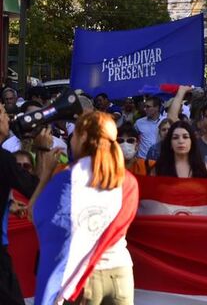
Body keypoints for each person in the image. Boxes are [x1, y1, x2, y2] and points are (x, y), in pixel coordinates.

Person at [30, 111, 138, 305]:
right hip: (121, 274)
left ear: (84, 137)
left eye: (75, 136)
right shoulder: (128, 180)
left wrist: (46, 175)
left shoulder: (69, 180)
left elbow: (35, 215)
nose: (71, 142)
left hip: (83, 279)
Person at [0, 104, 39, 305]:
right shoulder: (4, 159)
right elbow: (36, 189)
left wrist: (8, 204)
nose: (8, 118)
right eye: (3, 113)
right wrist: (43, 151)